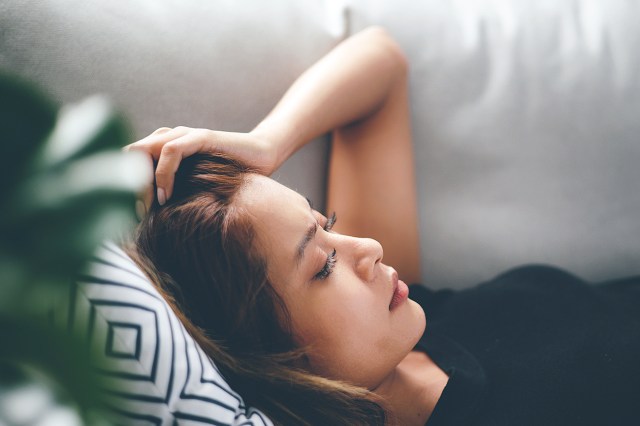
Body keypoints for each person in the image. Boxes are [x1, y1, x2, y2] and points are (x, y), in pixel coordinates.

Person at [125, 27, 640, 426]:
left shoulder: (402, 328)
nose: (368, 247)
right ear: (265, 355)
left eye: (326, 223)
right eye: (324, 264)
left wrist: (266, 145)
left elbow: (378, 61)